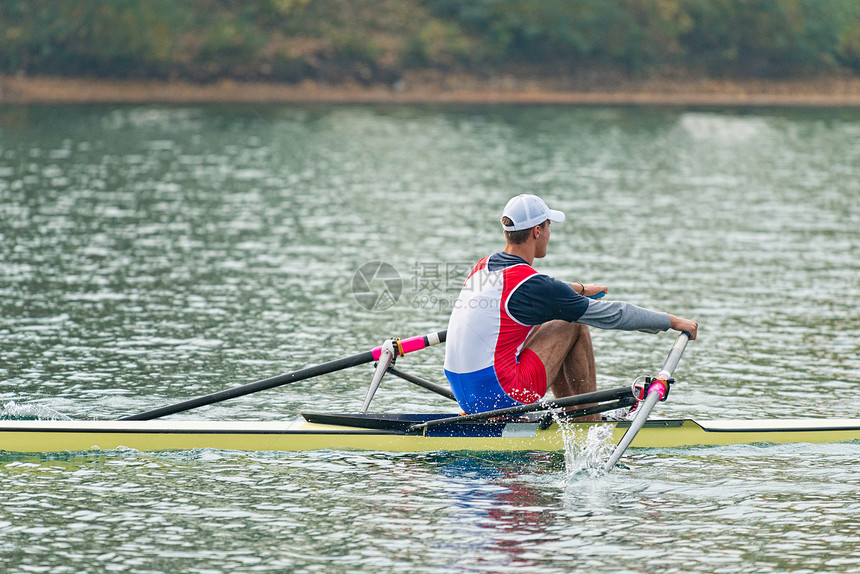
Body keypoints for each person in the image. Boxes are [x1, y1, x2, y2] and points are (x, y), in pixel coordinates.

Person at [443, 194, 698, 416]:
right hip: (501, 396)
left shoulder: (482, 267)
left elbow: (546, 290)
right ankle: (587, 422)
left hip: (466, 394)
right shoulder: (533, 286)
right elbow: (613, 315)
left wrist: (583, 289)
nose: (550, 233)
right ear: (537, 231)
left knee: (546, 317)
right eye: (549, 225)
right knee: (572, 323)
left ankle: (569, 414)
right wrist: (672, 322)